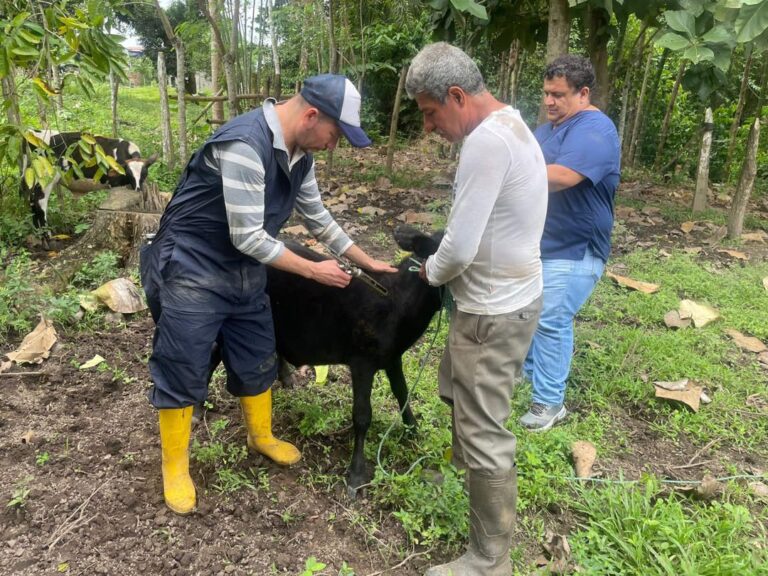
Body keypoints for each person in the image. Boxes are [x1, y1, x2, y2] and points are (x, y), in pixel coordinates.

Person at [140, 74, 397, 515]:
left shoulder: (300, 156)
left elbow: (317, 217)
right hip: (192, 263)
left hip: (242, 269)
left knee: (257, 350)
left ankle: (260, 436)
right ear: (312, 115)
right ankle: (175, 466)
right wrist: (314, 270)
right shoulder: (244, 144)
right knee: (184, 361)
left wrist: (366, 260)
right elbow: (247, 236)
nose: (333, 145)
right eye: (335, 134)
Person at [406, 42, 548, 576]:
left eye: (430, 113)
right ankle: (464, 480)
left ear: (457, 96)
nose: (429, 127)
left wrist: (429, 271)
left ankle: (490, 560)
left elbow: (460, 248)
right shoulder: (513, 124)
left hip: (492, 311)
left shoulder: (486, 142)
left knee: (485, 431)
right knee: (458, 393)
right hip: (507, 297)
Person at [520, 55, 621, 432]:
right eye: (546, 93)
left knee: (550, 319)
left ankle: (549, 402)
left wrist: (506, 172)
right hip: (543, 245)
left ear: (583, 94)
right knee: (531, 313)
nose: (549, 101)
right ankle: (530, 375)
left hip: (577, 248)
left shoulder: (596, 129)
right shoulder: (547, 130)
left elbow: (562, 176)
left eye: (558, 95)